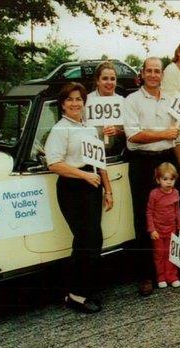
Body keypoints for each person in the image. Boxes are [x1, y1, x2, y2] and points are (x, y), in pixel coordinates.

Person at [44, 82, 113, 313]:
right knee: (85, 240)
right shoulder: (60, 130)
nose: (75, 103)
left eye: (79, 99)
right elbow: (54, 164)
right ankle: (75, 295)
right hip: (72, 189)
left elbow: (99, 160)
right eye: (70, 99)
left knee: (94, 240)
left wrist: (108, 189)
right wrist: (83, 175)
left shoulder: (89, 128)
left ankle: (84, 289)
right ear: (62, 104)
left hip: (92, 187)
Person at [124, 57, 180, 296]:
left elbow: (178, 137)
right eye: (148, 71)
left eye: (157, 71)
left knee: (175, 215)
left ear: (162, 74)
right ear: (142, 74)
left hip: (167, 159)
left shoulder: (171, 100)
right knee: (144, 219)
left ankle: (177, 268)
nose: (153, 75)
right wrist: (164, 133)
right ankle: (146, 275)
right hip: (142, 163)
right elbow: (133, 136)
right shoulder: (132, 101)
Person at [147, 162, 180, 288]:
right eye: (165, 179)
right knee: (159, 254)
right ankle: (160, 277)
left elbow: (177, 210)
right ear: (158, 180)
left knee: (171, 253)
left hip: (171, 229)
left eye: (172, 179)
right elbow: (149, 212)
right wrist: (152, 230)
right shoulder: (154, 194)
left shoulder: (175, 193)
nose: (169, 182)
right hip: (158, 231)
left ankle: (171, 276)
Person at [87, 61, 126, 157]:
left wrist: (118, 132)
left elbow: (132, 131)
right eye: (105, 78)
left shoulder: (123, 102)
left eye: (112, 79)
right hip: (91, 154)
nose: (109, 82)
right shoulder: (86, 101)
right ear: (97, 81)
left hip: (117, 153)